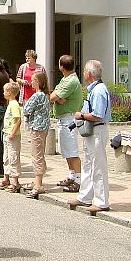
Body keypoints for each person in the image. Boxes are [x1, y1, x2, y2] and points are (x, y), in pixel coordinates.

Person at [69, 60, 112, 213]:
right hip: (92, 132)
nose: (83, 74)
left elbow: (98, 115)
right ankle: (85, 197)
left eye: (85, 72)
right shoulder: (94, 89)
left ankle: (101, 202)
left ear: (89, 74)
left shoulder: (99, 90)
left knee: (98, 166)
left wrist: (81, 115)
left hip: (97, 130)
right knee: (88, 164)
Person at [50, 54, 84, 192]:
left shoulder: (71, 81)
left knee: (72, 151)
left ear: (61, 67)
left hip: (69, 119)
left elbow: (52, 96)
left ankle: (79, 181)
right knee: (66, 150)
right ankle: (71, 175)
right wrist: (59, 98)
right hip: (63, 118)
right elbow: (56, 96)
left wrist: (58, 98)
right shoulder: (66, 79)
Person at [23, 71, 51, 198]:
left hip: (37, 127)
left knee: (37, 155)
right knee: (39, 153)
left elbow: (26, 109)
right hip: (43, 127)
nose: (31, 82)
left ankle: (38, 184)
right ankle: (37, 179)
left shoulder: (37, 96)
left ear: (39, 82)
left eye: (33, 80)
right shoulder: (45, 95)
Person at [0, 82, 22, 192]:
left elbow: (18, 120)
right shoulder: (10, 104)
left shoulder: (14, 105)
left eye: (5, 91)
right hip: (6, 133)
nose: (3, 93)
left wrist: (13, 133)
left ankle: (15, 181)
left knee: (13, 157)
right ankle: (6, 178)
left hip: (12, 135)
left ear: (9, 92)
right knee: (6, 157)